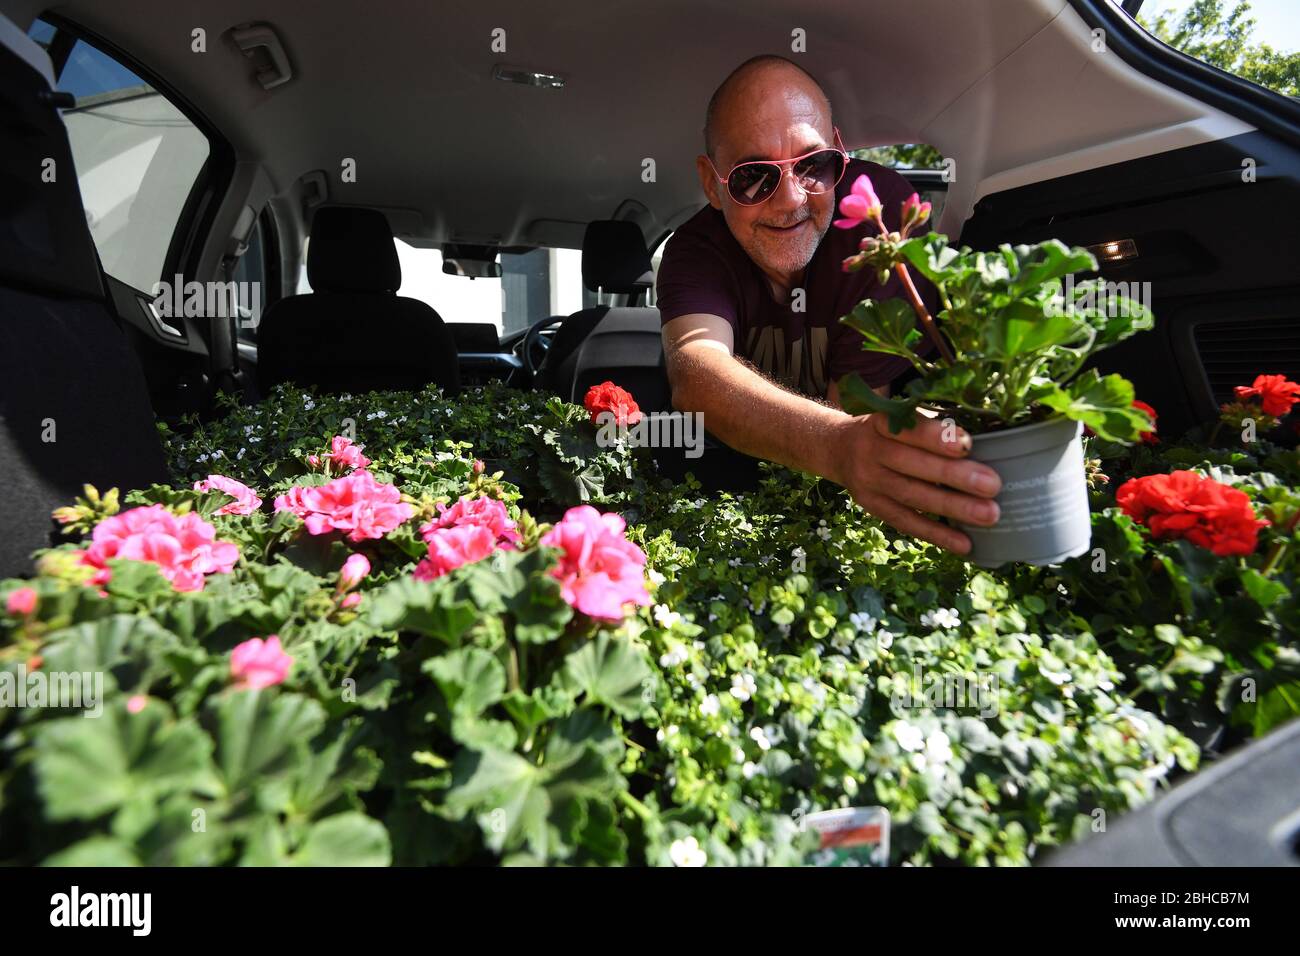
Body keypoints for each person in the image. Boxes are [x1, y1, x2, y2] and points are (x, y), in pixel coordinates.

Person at [658, 54, 1002, 555]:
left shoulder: (878, 217)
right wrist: (838, 444)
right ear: (713, 184)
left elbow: (859, 410)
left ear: (840, 152)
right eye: (754, 176)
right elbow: (696, 370)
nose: (791, 200)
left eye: (814, 164)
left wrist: (847, 444)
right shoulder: (696, 250)